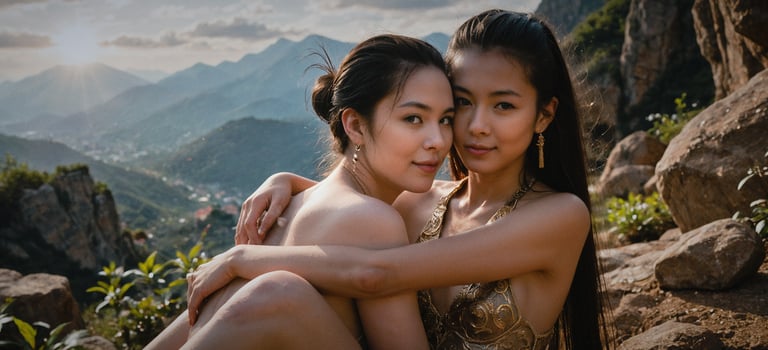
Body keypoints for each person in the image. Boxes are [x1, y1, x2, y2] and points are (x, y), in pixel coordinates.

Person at [188, 9, 613, 349]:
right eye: (462, 103)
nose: (477, 126)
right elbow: (345, 201)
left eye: (503, 106)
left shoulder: (560, 215)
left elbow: (375, 274)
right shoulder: (417, 202)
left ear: (543, 115)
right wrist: (285, 180)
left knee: (278, 295)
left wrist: (239, 258)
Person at [145, 33, 455, 349]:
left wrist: (286, 179)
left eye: (446, 119)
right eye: (413, 118)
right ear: (356, 126)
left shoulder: (291, 204)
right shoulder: (372, 219)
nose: (439, 140)